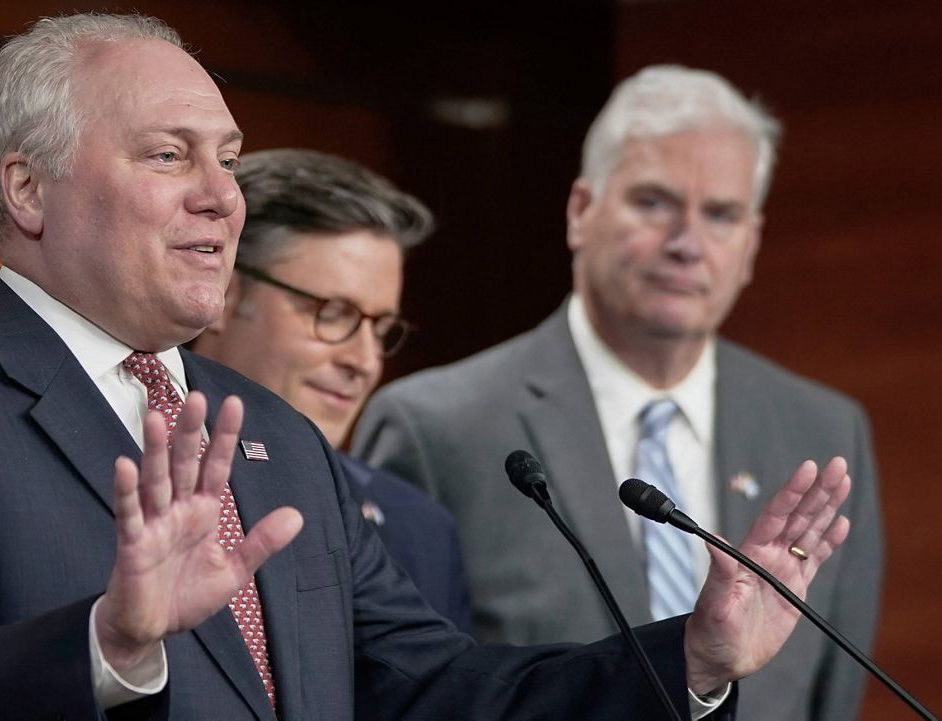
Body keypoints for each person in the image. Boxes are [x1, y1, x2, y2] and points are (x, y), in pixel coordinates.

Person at [0, 16, 853, 721]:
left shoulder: (272, 433)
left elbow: (435, 687)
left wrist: (691, 658)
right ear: (27, 190)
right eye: (170, 156)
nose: (223, 195)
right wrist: (107, 642)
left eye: (228, 156)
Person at [353, 65, 883, 721]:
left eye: (721, 214)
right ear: (581, 211)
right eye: (654, 202)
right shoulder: (437, 428)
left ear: (751, 245)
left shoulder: (824, 431)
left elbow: (831, 697)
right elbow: (405, 691)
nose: (687, 243)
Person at [190, 147, 471, 632]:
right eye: (333, 314)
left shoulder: (419, 529)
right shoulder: (116, 474)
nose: (364, 362)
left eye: (380, 328)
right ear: (224, 294)